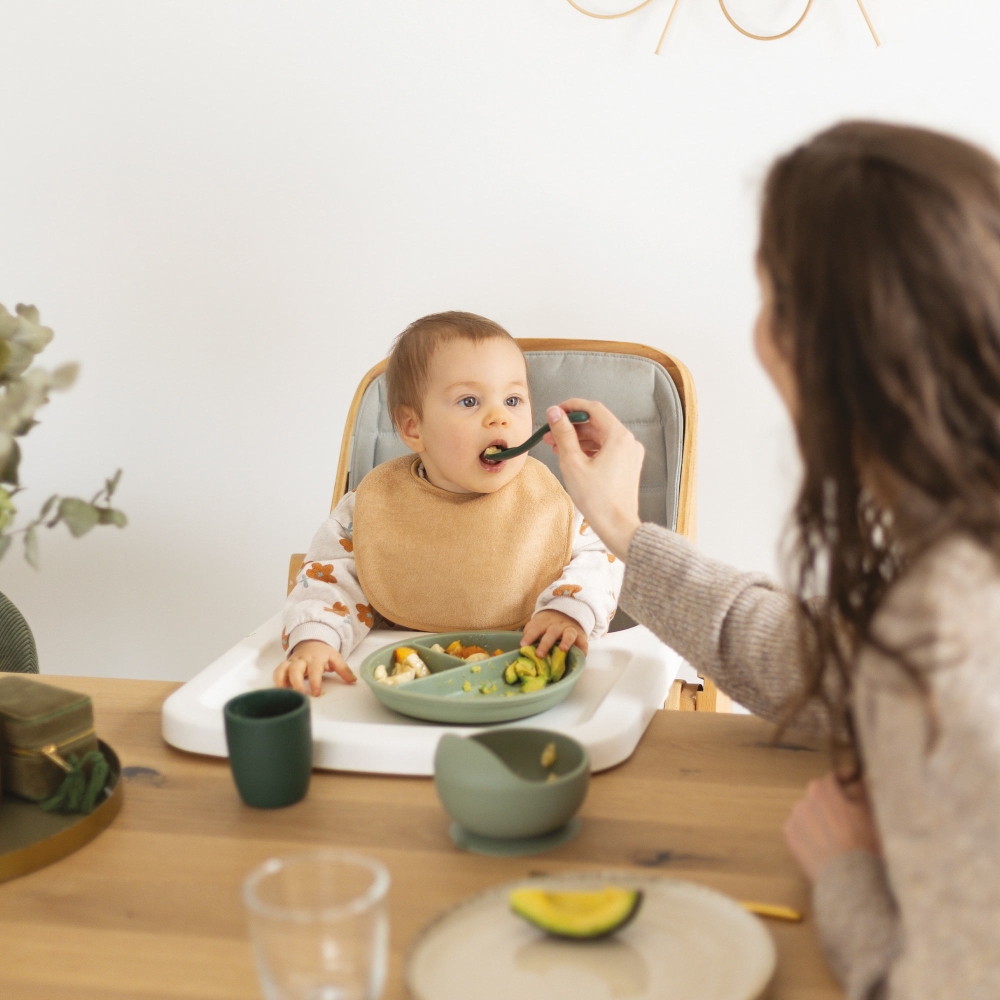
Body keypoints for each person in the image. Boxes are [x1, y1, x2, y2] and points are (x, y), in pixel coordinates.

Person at [542, 122, 1000, 998]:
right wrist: (629, 537)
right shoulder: (955, 561)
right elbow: (831, 666)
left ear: (828, 346)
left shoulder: (949, 625)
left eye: (770, 301)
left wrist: (847, 879)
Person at [274, 311, 624, 695]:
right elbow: (330, 579)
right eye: (469, 401)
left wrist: (566, 612)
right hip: (399, 687)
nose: (499, 418)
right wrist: (316, 639)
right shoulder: (374, 506)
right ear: (414, 427)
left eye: (512, 399)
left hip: (525, 683)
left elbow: (600, 560)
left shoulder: (546, 501)